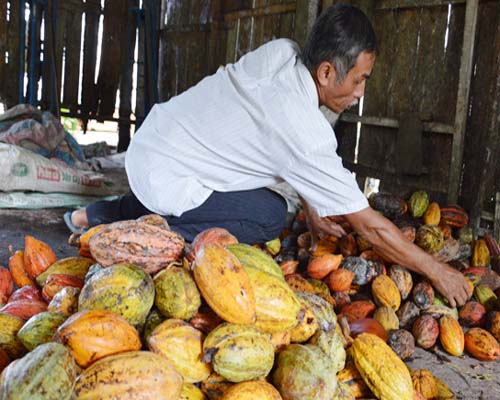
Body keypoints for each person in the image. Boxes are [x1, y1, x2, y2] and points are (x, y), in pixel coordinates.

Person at [66, 4, 471, 307]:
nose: (361, 93)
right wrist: (439, 272)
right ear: (326, 73)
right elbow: (371, 228)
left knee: (258, 195)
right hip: (166, 174)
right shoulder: (304, 130)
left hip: (158, 144)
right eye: (359, 80)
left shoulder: (282, 52)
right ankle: (132, 237)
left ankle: (95, 214)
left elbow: (281, 147)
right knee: (269, 215)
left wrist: (313, 203)